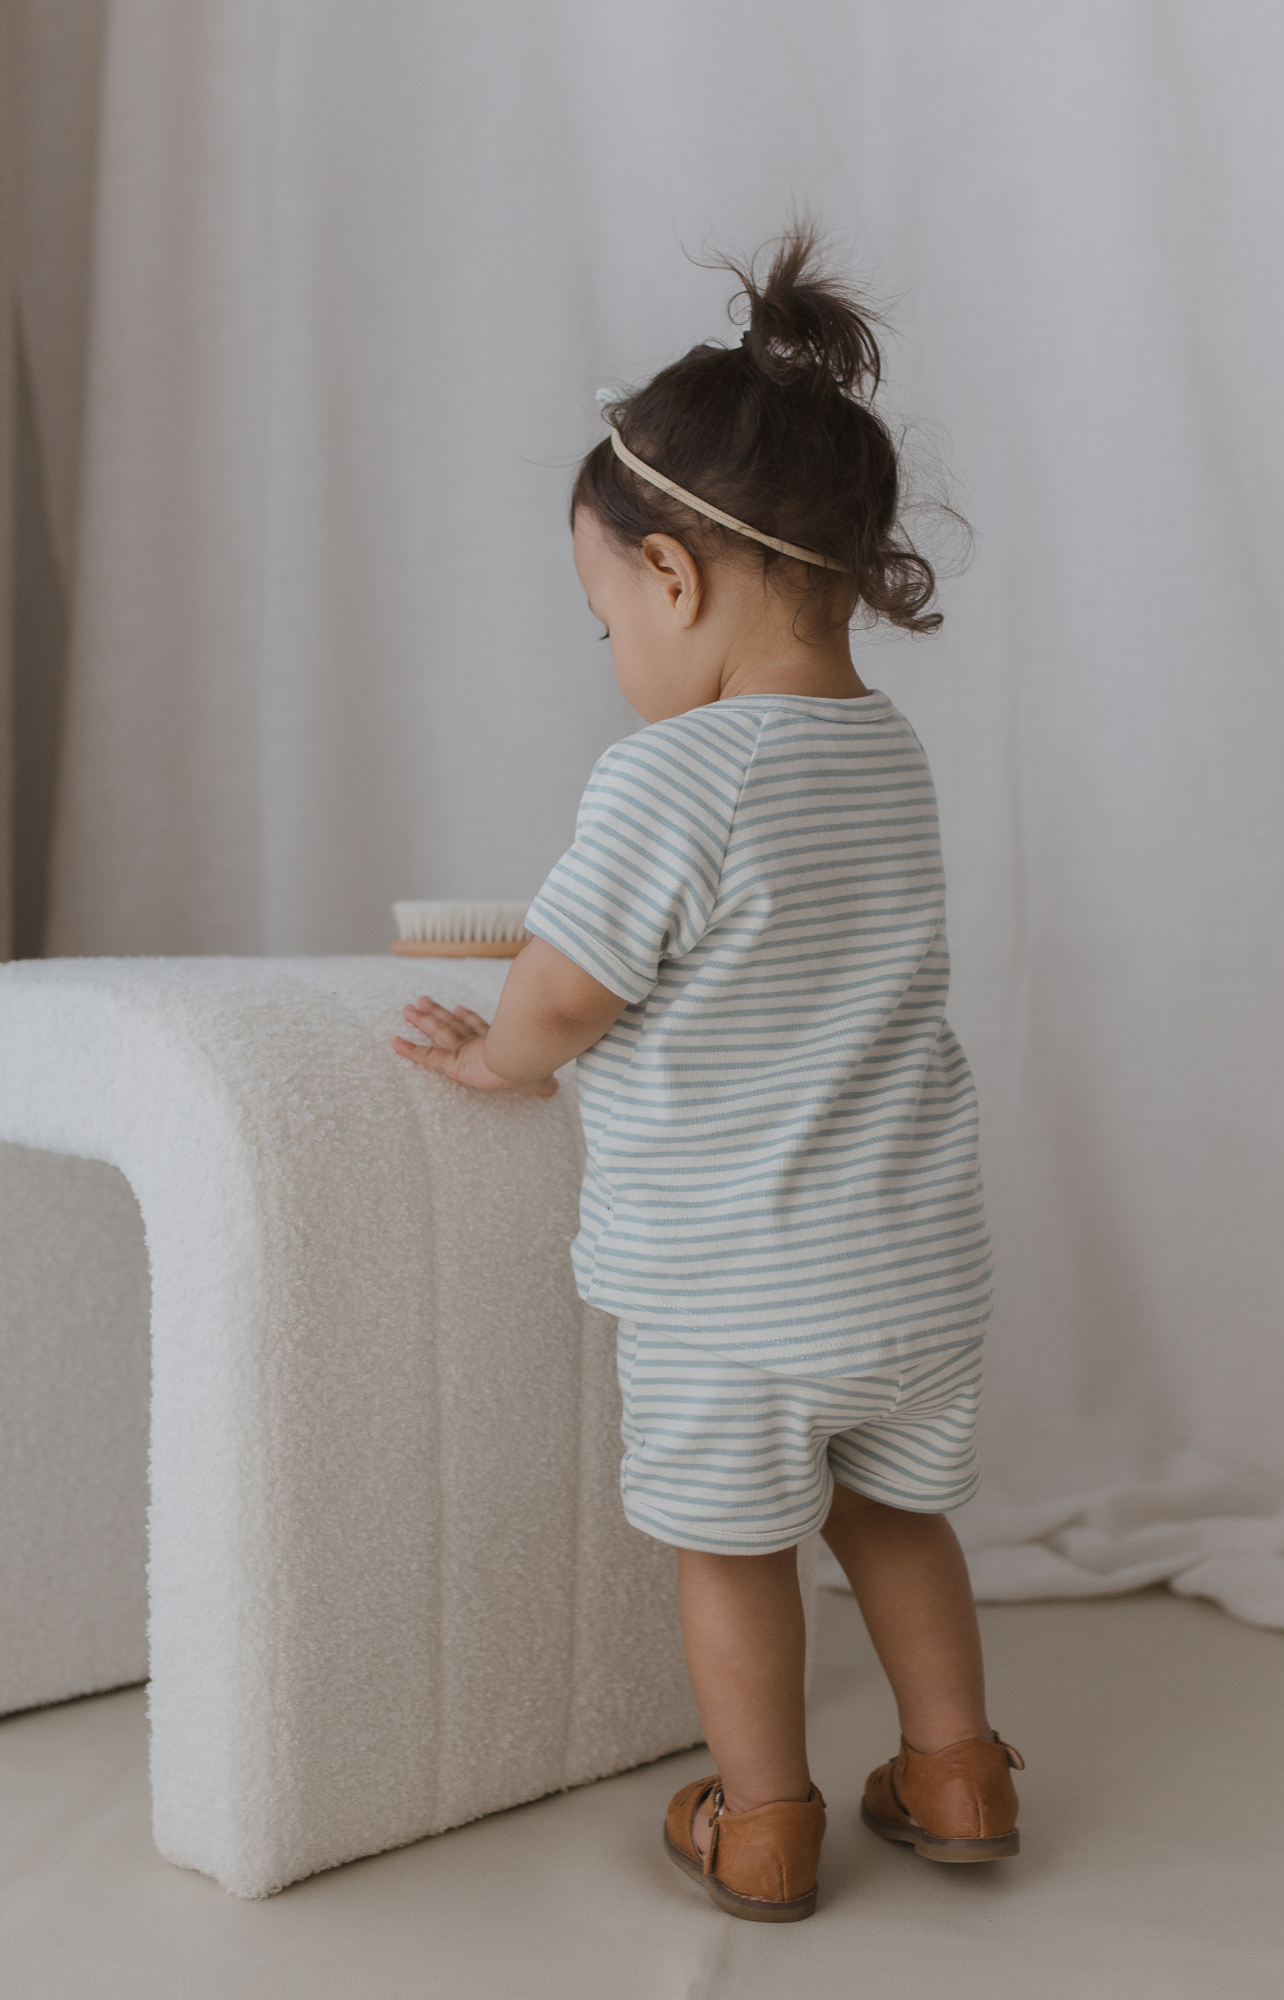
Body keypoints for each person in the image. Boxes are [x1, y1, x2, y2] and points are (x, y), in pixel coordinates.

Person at [393, 229, 1022, 1923]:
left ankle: (760, 1819)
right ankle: (959, 1770)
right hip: (915, 1268)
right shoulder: (886, 759)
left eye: (602, 617)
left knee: (733, 1543)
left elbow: (572, 988)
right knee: (893, 1520)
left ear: (670, 583)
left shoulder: (670, 770)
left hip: (741, 1292)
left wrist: (497, 1057)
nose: (611, 655)